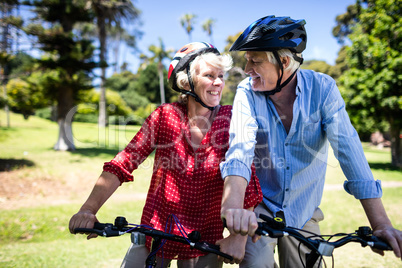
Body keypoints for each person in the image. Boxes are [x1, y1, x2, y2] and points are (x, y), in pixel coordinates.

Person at [219, 15, 402, 267]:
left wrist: (380, 224)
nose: (247, 69)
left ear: (284, 62)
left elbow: (350, 153)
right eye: (246, 60)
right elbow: (239, 152)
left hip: (303, 210)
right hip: (258, 210)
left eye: (255, 61)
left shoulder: (323, 89)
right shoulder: (246, 92)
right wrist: (233, 209)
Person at [69, 42, 262, 268]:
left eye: (221, 75)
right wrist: (88, 210)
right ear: (186, 81)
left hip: (207, 241)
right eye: (210, 75)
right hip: (155, 234)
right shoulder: (165, 116)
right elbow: (122, 164)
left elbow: (246, 181)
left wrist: (237, 237)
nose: (219, 82)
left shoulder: (231, 119)